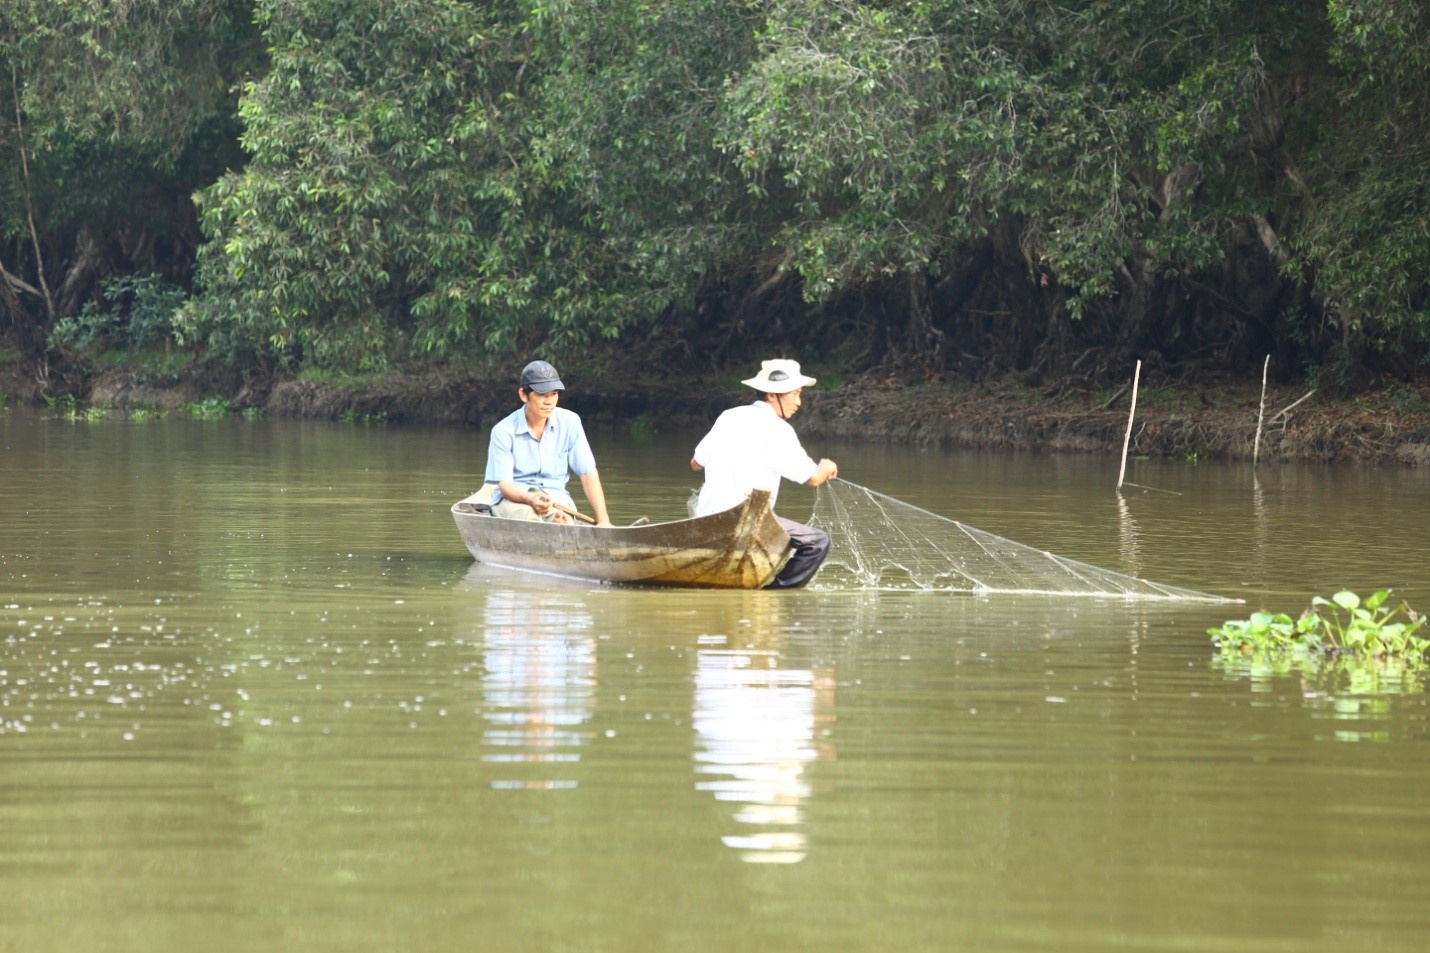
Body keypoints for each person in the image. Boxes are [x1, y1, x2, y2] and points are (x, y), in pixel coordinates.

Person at [690, 358, 839, 588]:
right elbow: (813, 478)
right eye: (795, 393)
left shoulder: (729, 416)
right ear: (772, 395)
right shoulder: (779, 430)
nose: (799, 402)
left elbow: (695, 464)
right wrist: (826, 466)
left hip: (707, 519)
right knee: (817, 542)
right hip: (745, 521)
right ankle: (775, 592)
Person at [485, 360, 613, 526]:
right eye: (541, 395)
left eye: (554, 394)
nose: (549, 401)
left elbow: (588, 473)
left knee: (564, 521)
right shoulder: (503, 431)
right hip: (514, 500)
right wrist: (530, 499)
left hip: (556, 500)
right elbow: (504, 485)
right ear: (523, 395)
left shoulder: (570, 422)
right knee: (532, 520)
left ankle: (557, 521)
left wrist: (604, 521)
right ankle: (548, 522)